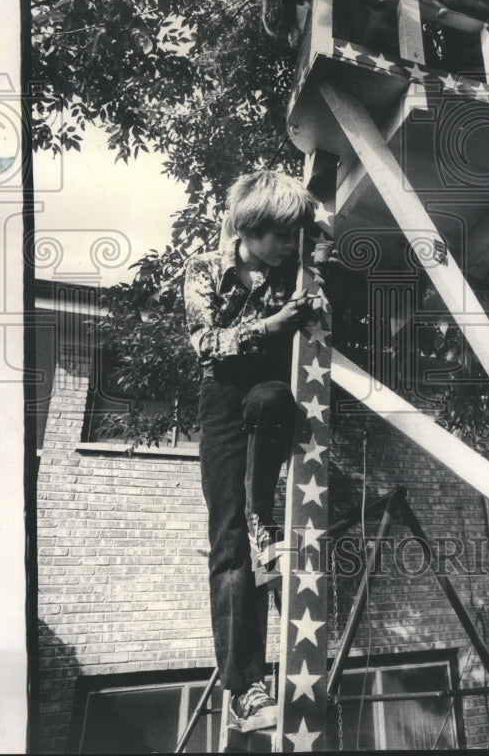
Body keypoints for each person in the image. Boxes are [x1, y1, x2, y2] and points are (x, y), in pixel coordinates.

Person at [184, 170, 316, 732]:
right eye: (280, 235)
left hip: (266, 394)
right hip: (220, 398)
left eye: (295, 235)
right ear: (247, 229)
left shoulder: (296, 267)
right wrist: (272, 324)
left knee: (274, 398)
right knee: (230, 545)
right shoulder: (203, 269)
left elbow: (321, 233)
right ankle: (246, 689)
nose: (289, 246)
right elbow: (206, 344)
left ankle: (265, 515)